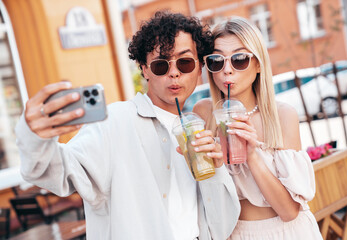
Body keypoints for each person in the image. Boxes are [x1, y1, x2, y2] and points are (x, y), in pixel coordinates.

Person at [15, 11, 240, 240]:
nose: (174, 73)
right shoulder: (115, 122)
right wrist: (34, 137)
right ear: (144, 69)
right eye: (161, 65)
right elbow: (59, 174)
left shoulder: (199, 129)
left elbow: (220, 227)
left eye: (184, 62)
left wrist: (217, 169)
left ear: (199, 68)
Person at [193, 16, 322, 239]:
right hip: (232, 233)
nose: (227, 70)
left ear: (258, 64)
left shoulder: (281, 115)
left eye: (239, 59)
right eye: (216, 60)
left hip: (285, 232)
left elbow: (289, 212)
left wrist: (252, 155)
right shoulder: (204, 113)